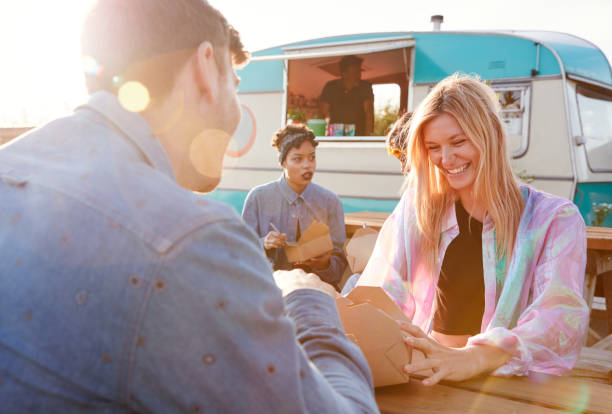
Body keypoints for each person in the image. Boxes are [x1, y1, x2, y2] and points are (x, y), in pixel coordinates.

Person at [0, 1, 378, 412]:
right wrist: (309, 303)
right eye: (235, 84)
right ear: (204, 70)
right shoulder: (190, 240)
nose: (237, 109)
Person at [357, 73, 589, 385]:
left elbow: (559, 319)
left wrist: (475, 357)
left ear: (491, 133)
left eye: (458, 142)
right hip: (424, 377)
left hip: (504, 387)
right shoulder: (420, 209)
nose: (446, 159)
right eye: (433, 147)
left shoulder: (553, 219)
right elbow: (384, 290)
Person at [242, 125, 348, 290]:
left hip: (318, 293)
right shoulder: (258, 198)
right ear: (283, 162)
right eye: (298, 159)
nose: (307, 165)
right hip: (270, 292)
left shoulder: (330, 202)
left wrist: (324, 264)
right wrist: (264, 243)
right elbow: (241, 253)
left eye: (312, 158)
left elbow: (339, 265)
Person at [319, 55, 374, 136]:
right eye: (355, 73)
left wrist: (367, 137)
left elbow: (369, 113)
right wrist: (320, 137)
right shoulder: (330, 87)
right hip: (335, 132)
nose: (359, 76)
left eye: (359, 72)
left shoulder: (365, 87)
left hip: (358, 135)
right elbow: (322, 113)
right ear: (344, 74)